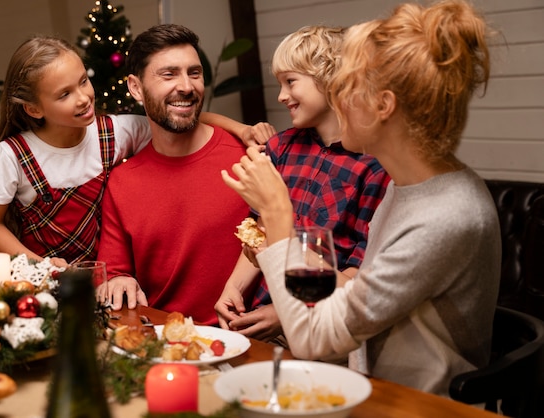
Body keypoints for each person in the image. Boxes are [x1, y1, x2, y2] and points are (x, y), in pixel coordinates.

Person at [221, 0, 501, 397]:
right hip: (362, 380)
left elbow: (314, 338)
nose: (337, 98)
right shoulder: (404, 188)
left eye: (345, 88)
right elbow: (356, 298)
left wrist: (278, 214)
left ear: (383, 105)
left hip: (413, 403)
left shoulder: (446, 217)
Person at [0, 35, 270, 267]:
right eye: (65, 94)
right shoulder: (12, 155)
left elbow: (178, 116)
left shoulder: (115, 132)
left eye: (83, 82)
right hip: (42, 281)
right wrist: (41, 266)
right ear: (34, 108)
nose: (83, 98)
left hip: (105, 280)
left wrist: (241, 129)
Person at [214, 25, 390, 342]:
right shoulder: (281, 147)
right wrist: (234, 287)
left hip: (324, 326)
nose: (281, 96)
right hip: (259, 317)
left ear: (329, 79)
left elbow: (357, 275)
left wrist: (286, 314)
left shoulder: (374, 167)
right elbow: (259, 231)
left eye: (290, 81)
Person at [96, 23, 275, 325]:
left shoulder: (250, 155)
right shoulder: (123, 182)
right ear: (136, 88)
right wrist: (117, 281)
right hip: (167, 343)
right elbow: (113, 272)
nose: (187, 86)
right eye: (169, 74)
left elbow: (298, 244)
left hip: (251, 341)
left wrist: (283, 313)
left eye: (194, 73)